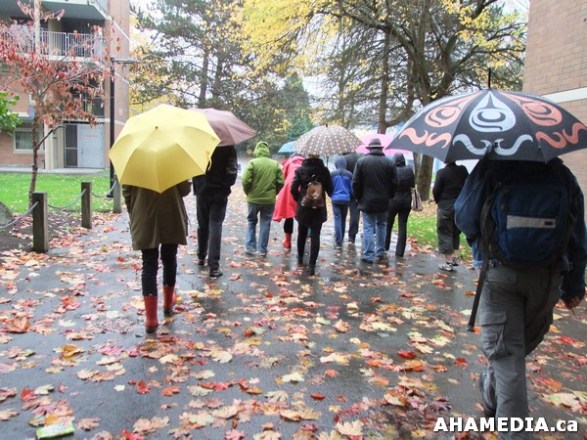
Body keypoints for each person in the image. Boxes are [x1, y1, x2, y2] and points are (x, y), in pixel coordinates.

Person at [455, 158, 586, 436]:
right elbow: (578, 235)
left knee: (507, 355)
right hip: (547, 279)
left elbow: (464, 217)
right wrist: (574, 286)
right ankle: (492, 395)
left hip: (499, 274)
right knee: (511, 351)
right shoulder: (561, 174)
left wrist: (482, 245)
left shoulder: (492, 167)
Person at [122, 181, 191, 333]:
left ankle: (151, 319)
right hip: (171, 212)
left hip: (144, 213)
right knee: (170, 258)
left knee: (149, 264)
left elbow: (127, 192)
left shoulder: (135, 166)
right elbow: (185, 189)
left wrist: (133, 210)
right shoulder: (174, 164)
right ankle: (168, 303)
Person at [193, 145, 238, 278]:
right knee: (215, 226)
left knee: (202, 224)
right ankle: (213, 267)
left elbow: (194, 168)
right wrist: (225, 187)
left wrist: (197, 186)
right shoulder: (228, 146)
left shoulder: (200, 144)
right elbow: (232, 170)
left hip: (202, 191)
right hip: (219, 192)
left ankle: (201, 256)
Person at [352, 138, 396, 264]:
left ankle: (368, 254)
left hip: (367, 200)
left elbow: (355, 182)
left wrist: (358, 197)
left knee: (368, 227)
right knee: (382, 224)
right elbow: (395, 182)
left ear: (369, 149)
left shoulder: (362, 162)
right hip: (383, 200)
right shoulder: (389, 163)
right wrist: (390, 195)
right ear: (381, 148)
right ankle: (380, 251)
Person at [290, 153, 333, 276]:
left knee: (302, 233)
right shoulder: (324, 171)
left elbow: (293, 189)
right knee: (315, 235)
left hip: (303, 207)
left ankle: (300, 258)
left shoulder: (301, 170)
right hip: (318, 207)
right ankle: (312, 266)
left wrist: (299, 198)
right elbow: (331, 190)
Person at [242, 141, 284, 256]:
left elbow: (245, 180)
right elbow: (281, 182)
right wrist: (274, 192)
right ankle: (262, 249)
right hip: (269, 200)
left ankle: (250, 247)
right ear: (267, 151)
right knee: (265, 223)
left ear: (256, 151)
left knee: (251, 221)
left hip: (253, 199)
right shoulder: (275, 164)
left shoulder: (252, 163)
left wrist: (248, 192)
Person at [432, 160, 468, 271]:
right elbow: (468, 186)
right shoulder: (463, 170)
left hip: (445, 207)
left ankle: (448, 263)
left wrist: (439, 202)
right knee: (456, 232)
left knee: (445, 233)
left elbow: (436, 190)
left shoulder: (441, 173)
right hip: (459, 206)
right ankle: (454, 257)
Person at [384, 152, 415, 257]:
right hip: (406, 201)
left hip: (393, 201)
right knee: (403, 224)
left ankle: (385, 246)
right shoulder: (409, 170)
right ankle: (400, 251)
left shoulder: (392, 171)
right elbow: (412, 185)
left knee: (388, 223)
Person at [273, 154, 304, 251]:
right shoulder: (305, 163)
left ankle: (287, 241)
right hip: (303, 188)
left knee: (289, 216)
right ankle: (301, 241)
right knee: (303, 216)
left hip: (290, 188)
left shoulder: (289, 162)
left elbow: (283, 177)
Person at [330, 156, 353, 247]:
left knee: (337, 219)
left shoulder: (332, 174)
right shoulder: (349, 174)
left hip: (335, 199)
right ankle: (342, 237)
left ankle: (338, 240)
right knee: (343, 218)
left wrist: (331, 195)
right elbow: (351, 188)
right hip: (346, 199)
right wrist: (350, 195)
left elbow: (330, 187)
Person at [343, 150, 361, 244]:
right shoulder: (360, 159)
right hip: (356, 190)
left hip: (344, 189)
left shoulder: (344, 159)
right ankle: (352, 236)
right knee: (355, 214)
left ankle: (340, 234)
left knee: (342, 214)